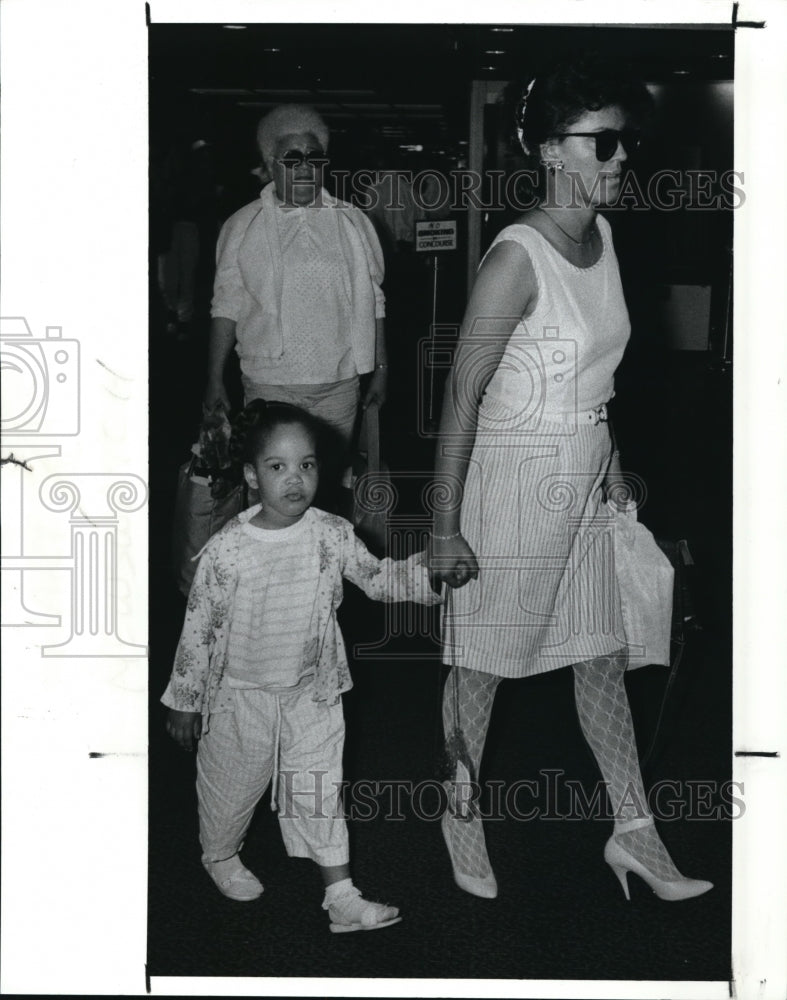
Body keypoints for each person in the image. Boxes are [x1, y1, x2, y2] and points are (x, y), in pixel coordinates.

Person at [428, 55, 713, 903]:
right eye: (604, 141)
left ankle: (635, 835)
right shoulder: (517, 256)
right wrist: (443, 528)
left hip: (585, 476)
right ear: (553, 149)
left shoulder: (606, 235)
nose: (622, 156)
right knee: (482, 665)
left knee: (601, 657)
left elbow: (600, 375)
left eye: (626, 141)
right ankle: (459, 813)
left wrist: (614, 470)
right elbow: (459, 393)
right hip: (513, 482)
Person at [162, 399, 441, 932]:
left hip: (313, 690)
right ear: (251, 474)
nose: (295, 479)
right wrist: (185, 700)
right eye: (277, 467)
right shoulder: (227, 551)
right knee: (231, 784)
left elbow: (378, 578)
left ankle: (341, 895)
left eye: (307, 465)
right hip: (241, 692)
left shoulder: (330, 534)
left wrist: (429, 576)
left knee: (319, 785)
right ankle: (219, 854)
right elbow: (198, 629)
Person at [205, 105, 388, 480]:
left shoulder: (351, 221)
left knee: (328, 486)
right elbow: (226, 302)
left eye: (314, 157)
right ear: (270, 163)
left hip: (339, 385)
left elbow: (374, 299)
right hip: (271, 384)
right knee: (274, 489)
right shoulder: (244, 224)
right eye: (292, 158)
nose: (305, 166)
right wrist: (213, 377)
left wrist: (381, 369)